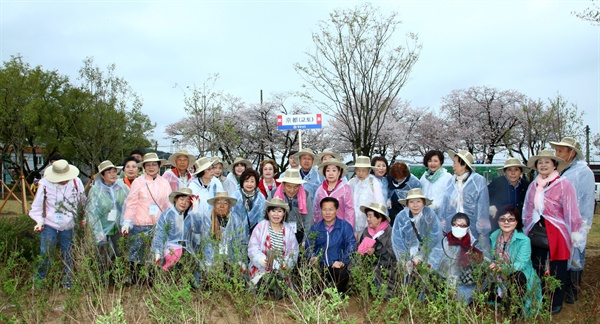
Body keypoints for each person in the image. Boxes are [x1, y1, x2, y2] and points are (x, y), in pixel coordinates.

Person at [522, 150, 583, 314]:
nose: (543, 165)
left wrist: (575, 231)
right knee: (537, 267)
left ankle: (556, 301)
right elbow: (528, 208)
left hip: (557, 232)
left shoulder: (564, 184)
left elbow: (572, 211)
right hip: (537, 231)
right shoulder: (534, 185)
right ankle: (539, 297)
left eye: (547, 162)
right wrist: (527, 226)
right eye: (540, 162)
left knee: (558, 269)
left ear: (554, 165)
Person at [550, 137, 595, 304]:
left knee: (575, 255)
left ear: (572, 153)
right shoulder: (561, 170)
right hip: (558, 222)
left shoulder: (583, 172)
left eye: (561, 151)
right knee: (561, 255)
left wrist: (581, 226)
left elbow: (586, 200)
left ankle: (572, 290)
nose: (557, 154)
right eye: (557, 150)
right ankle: (560, 287)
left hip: (574, 223)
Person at [30, 160, 85, 288]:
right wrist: (39, 222)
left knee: (69, 254)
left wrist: (83, 218)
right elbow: (36, 207)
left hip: (70, 224)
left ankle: (67, 282)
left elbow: (83, 203)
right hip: (49, 224)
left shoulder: (76, 182)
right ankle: (38, 283)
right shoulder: (44, 184)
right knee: (46, 253)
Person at [121, 153, 172, 272]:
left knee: (155, 253)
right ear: (144, 167)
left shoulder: (164, 183)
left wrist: (169, 222)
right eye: (148, 165)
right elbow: (131, 203)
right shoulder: (138, 182)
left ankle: (151, 280)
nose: (151, 167)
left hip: (158, 225)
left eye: (154, 164)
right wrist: (127, 222)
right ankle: (135, 279)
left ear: (159, 166)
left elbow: (168, 205)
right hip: (140, 224)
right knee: (136, 253)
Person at [488, 206, 542, 317]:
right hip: (499, 273)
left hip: (520, 274)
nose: (506, 222)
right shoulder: (494, 236)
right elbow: (491, 256)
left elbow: (521, 264)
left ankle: (514, 312)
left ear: (516, 222)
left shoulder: (524, 240)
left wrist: (502, 268)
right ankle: (499, 300)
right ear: (498, 222)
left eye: (511, 219)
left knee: (517, 277)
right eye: (502, 219)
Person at [439, 150, 491, 253]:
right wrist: (443, 221)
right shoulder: (451, 181)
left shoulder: (478, 181)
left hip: (472, 226)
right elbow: (445, 203)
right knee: (453, 253)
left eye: (455, 162)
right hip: (454, 224)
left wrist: (481, 225)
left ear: (463, 164)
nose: (453, 166)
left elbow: (483, 205)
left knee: (473, 253)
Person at [247, 198, 300, 298]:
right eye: (273, 211)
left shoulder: (288, 230)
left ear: (284, 213)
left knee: (279, 280)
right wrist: (261, 260)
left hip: (281, 269)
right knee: (263, 280)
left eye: (279, 211)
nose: (276, 214)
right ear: (268, 212)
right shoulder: (261, 226)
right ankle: (264, 285)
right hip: (261, 268)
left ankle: (277, 287)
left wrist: (285, 264)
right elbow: (252, 247)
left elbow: (294, 251)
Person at [429, 213, 485, 303]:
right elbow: (433, 259)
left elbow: (483, 262)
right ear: (451, 226)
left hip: (465, 283)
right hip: (444, 280)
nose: (458, 227)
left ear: (468, 228)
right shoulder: (445, 242)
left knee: (461, 305)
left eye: (462, 225)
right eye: (455, 225)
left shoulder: (474, 244)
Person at [306, 197, 356, 293]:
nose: (327, 213)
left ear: (337, 211)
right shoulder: (315, 228)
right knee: (308, 274)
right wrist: (312, 257)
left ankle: (340, 295)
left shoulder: (344, 226)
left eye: (331, 209)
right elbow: (309, 246)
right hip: (319, 265)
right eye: (324, 209)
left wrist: (342, 261)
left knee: (342, 274)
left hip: (336, 265)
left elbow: (351, 246)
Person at [86, 160, 129, 273]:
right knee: (102, 254)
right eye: (109, 172)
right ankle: (103, 279)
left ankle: (120, 277)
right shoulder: (96, 190)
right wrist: (98, 232)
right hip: (102, 227)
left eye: (114, 171)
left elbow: (128, 205)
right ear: (102, 175)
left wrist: (126, 223)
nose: (112, 174)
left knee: (120, 252)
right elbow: (92, 212)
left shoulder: (122, 187)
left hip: (118, 226)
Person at [152, 188, 203, 271]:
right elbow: (159, 234)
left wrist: (195, 212)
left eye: (187, 201)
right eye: (182, 199)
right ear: (176, 199)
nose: (184, 203)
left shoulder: (191, 216)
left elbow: (197, 230)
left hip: (187, 251)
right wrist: (158, 252)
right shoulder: (166, 215)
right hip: (170, 252)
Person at [392, 188, 441, 271]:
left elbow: (435, 236)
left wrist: (422, 255)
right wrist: (405, 259)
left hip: (428, 253)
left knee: (426, 277)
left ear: (423, 203)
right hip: (408, 253)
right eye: (411, 202)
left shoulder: (429, 215)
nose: (415, 205)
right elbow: (397, 240)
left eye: (418, 201)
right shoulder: (401, 217)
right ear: (407, 204)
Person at [200, 191, 248, 270]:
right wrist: (210, 264)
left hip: (232, 260)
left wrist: (239, 261)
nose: (222, 206)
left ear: (229, 206)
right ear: (214, 205)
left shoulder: (236, 220)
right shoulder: (208, 218)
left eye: (225, 203)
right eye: (218, 203)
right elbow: (206, 243)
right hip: (214, 260)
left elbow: (242, 242)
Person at [357, 202, 396, 294]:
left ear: (379, 218)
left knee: (375, 270)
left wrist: (376, 251)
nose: (368, 219)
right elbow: (359, 248)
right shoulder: (367, 232)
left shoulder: (390, 232)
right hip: (368, 263)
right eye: (367, 216)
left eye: (370, 216)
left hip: (387, 265)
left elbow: (392, 253)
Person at [487, 158, 530, 232]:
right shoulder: (496, 184)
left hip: (520, 225)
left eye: (516, 170)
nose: (513, 173)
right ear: (505, 172)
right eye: (509, 170)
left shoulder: (526, 185)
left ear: (521, 172)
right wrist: (491, 206)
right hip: (499, 225)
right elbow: (485, 198)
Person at [273, 168, 314, 245]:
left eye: (295, 187)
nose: (292, 190)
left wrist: (305, 240)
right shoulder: (273, 194)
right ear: (283, 184)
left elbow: (308, 220)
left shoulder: (306, 195)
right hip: (277, 233)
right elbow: (265, 216)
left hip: (298, 233)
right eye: (289, 187)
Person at [313, 158, 355, 231]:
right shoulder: (320, 190)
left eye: (334, 170)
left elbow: (350, 210)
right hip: (323, 229)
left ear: (339, 172)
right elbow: (316, 210)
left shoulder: (345, 188)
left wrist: (349, 229)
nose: (330, 173)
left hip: (341, 229)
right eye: (328, 170)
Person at [348, 156, 385, 237]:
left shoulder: (373, 183)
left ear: (369, 170)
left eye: (363, 171)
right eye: (358, 170)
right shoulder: (351, 182)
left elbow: (380, 202)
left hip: (368, 222)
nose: (360, 173)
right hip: (352, 221)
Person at [232, 169, 266, 236]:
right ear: (242, 182)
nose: (249, 184)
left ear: (256, 183)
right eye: (246, 181)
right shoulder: (236, 196)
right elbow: (232, 217)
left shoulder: (260, 198)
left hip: (255, 233)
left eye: (252, 181)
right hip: (237, 232)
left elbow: (262, 217)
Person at [419, 150, 452, 216]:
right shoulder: (425, 176)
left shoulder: (447, 177)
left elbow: (449, 197)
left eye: (435, 161)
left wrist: (434, 205)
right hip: (425, 212)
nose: (432, 164)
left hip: (441, 214)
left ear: (441, 162)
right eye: (430, 161)